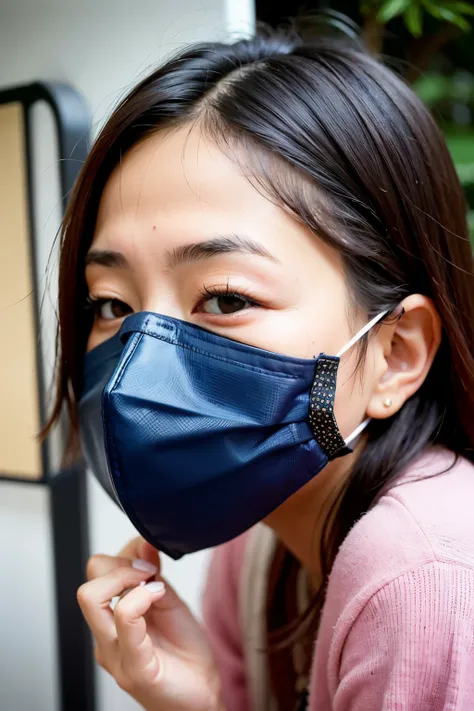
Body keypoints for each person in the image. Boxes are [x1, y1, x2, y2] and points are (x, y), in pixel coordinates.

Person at [45, 28, 474, 711]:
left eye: (225, 297)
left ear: (396, 353)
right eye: (112, 303)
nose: (139, 373)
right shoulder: (258, 546)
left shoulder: (427, 575)